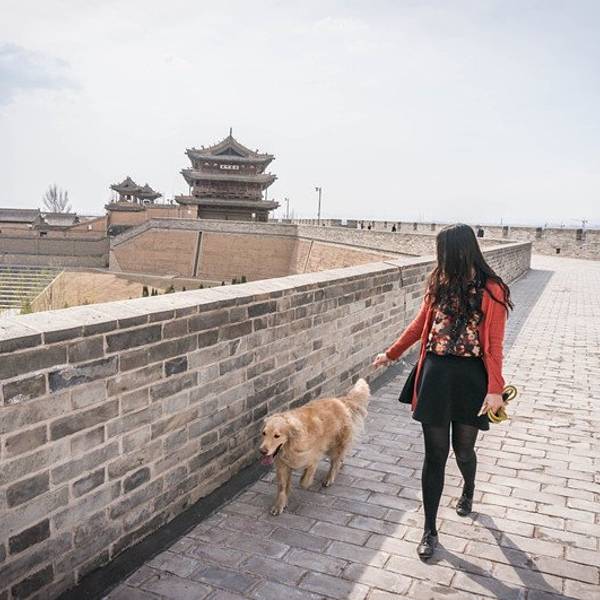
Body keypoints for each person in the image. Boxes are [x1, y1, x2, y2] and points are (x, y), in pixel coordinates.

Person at [372, 223, 512, 559]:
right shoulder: (439, 283)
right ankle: (429, 530)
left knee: (463, 451)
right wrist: (392, 353)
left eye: (442, 251)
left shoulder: (492, 289)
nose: (439, 257)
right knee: (435, 455)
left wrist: (495, 389)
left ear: (457, 251)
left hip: (471, 378)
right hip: (435, 375)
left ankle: (469, 489)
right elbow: (420, 325)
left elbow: (494, 344)